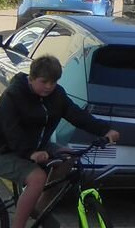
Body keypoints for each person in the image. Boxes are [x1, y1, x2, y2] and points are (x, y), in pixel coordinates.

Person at [0, 55, 120, 228]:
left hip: (36, 144)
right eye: (44, 81)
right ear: (32, 78)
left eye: (53, 82)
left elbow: (76, 115)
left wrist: (105, 130)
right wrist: (30, 153)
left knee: (69, 158)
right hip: (6, 149)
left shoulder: (57, 95)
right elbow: (11, 130)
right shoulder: (13, 95)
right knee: (37, 178)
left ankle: (39, 207)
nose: (49, 86)